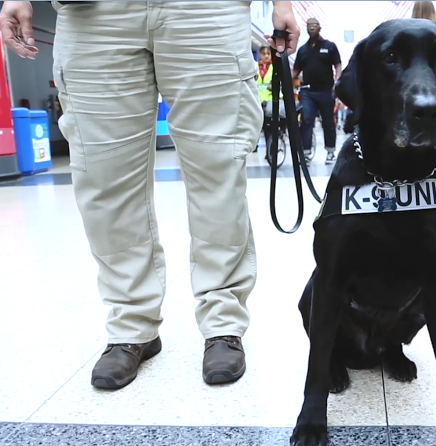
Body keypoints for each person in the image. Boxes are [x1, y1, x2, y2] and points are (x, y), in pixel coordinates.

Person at [0, 0, 299, 390]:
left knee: (219, 172)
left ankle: (223, 321)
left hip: (205, 10)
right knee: (104, 179)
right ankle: (131, 323)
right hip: (95, 12)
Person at [293, 17, 342, 165]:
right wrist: (283, 80)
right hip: (307, 92)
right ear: (306, 29)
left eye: (314, 25)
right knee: (306, 120)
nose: (312, 27)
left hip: (326, 91)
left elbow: (338, 65)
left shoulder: (330, 46)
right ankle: (306, 153)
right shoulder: (303, 50)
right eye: (309, 26)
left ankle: (331, 151)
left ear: (320, 28)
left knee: (328, 122)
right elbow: (295, 70)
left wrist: (337, 81)